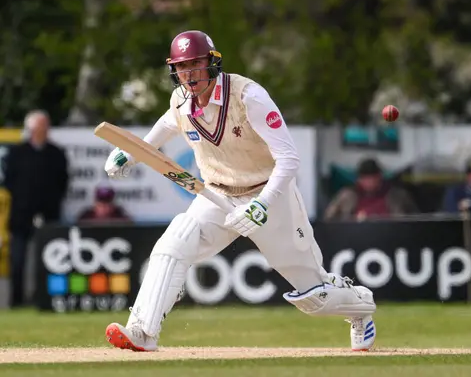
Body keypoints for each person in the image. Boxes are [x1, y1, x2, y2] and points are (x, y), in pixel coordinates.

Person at [103, 30, 376, 352]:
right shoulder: (180, 100)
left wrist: (262, 204)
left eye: (195, 64)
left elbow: (289, 159)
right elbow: (162, 129)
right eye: (182, 67)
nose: (189, 74)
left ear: (212, 63)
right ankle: (143, 332)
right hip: (216, 195)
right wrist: (129, 153)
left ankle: (360, 307)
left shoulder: (249, 97)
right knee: (174, 243)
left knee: (314, 296)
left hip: (270, 196)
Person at [3, 110, 69, 307]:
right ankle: (17, 301)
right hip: (21, 217)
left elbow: (63, 183)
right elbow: (9, 182)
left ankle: (46, 301)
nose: (43, 131)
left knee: (50, 261)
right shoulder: (16, 153)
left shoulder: (56, 154)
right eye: (39, 127)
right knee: (18, 261)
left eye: (45, 127)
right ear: (30, 129)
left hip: (49, 216)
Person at [324, 158, 419, 221]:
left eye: (372, 178)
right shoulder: (346, 196)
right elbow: (328, 219)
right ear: (359, 179)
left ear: (379, 177)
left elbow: (416, 220)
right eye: (365, 178)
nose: (369, 182)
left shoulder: (398, 196)